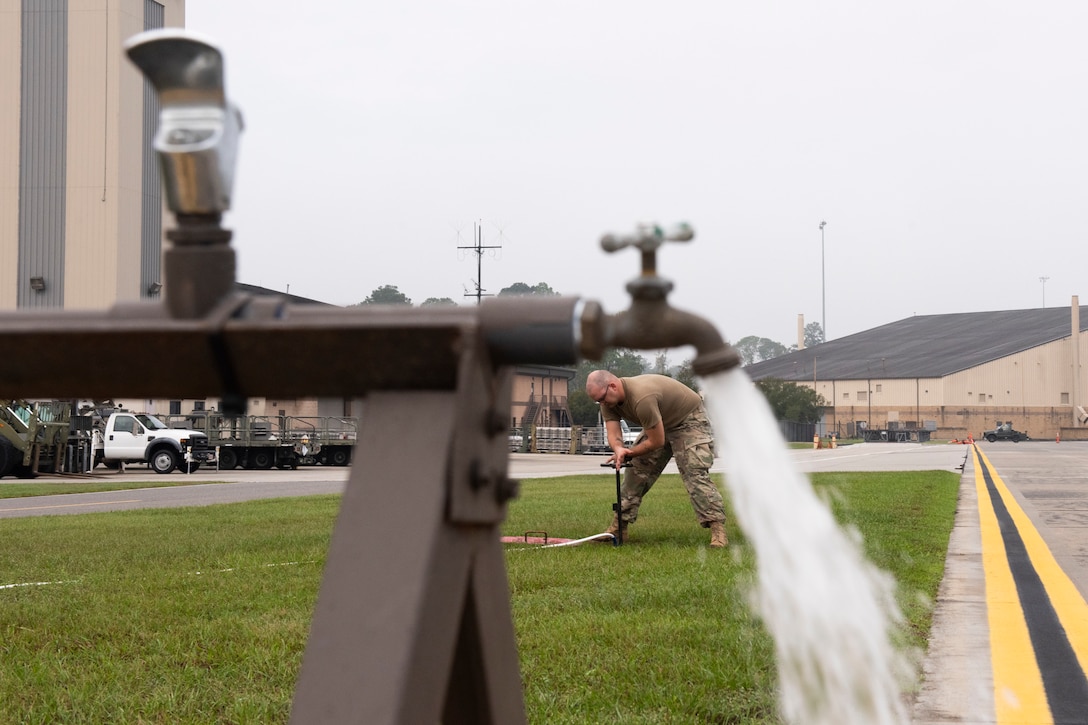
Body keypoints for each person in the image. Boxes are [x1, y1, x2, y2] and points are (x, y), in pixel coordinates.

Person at [585, 369, 728, 548]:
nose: (601, 403)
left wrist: (630, 452)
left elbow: (657, 441)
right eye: (597, 400)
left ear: (613, 386)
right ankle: (618, 528)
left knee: (694, 473)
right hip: (660, 423)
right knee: (635, 471)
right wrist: (619, 449)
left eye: (602, 398)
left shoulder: (641, 398)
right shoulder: (607, 401)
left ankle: (717, 530)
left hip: (689, 420)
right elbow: (613, 432)